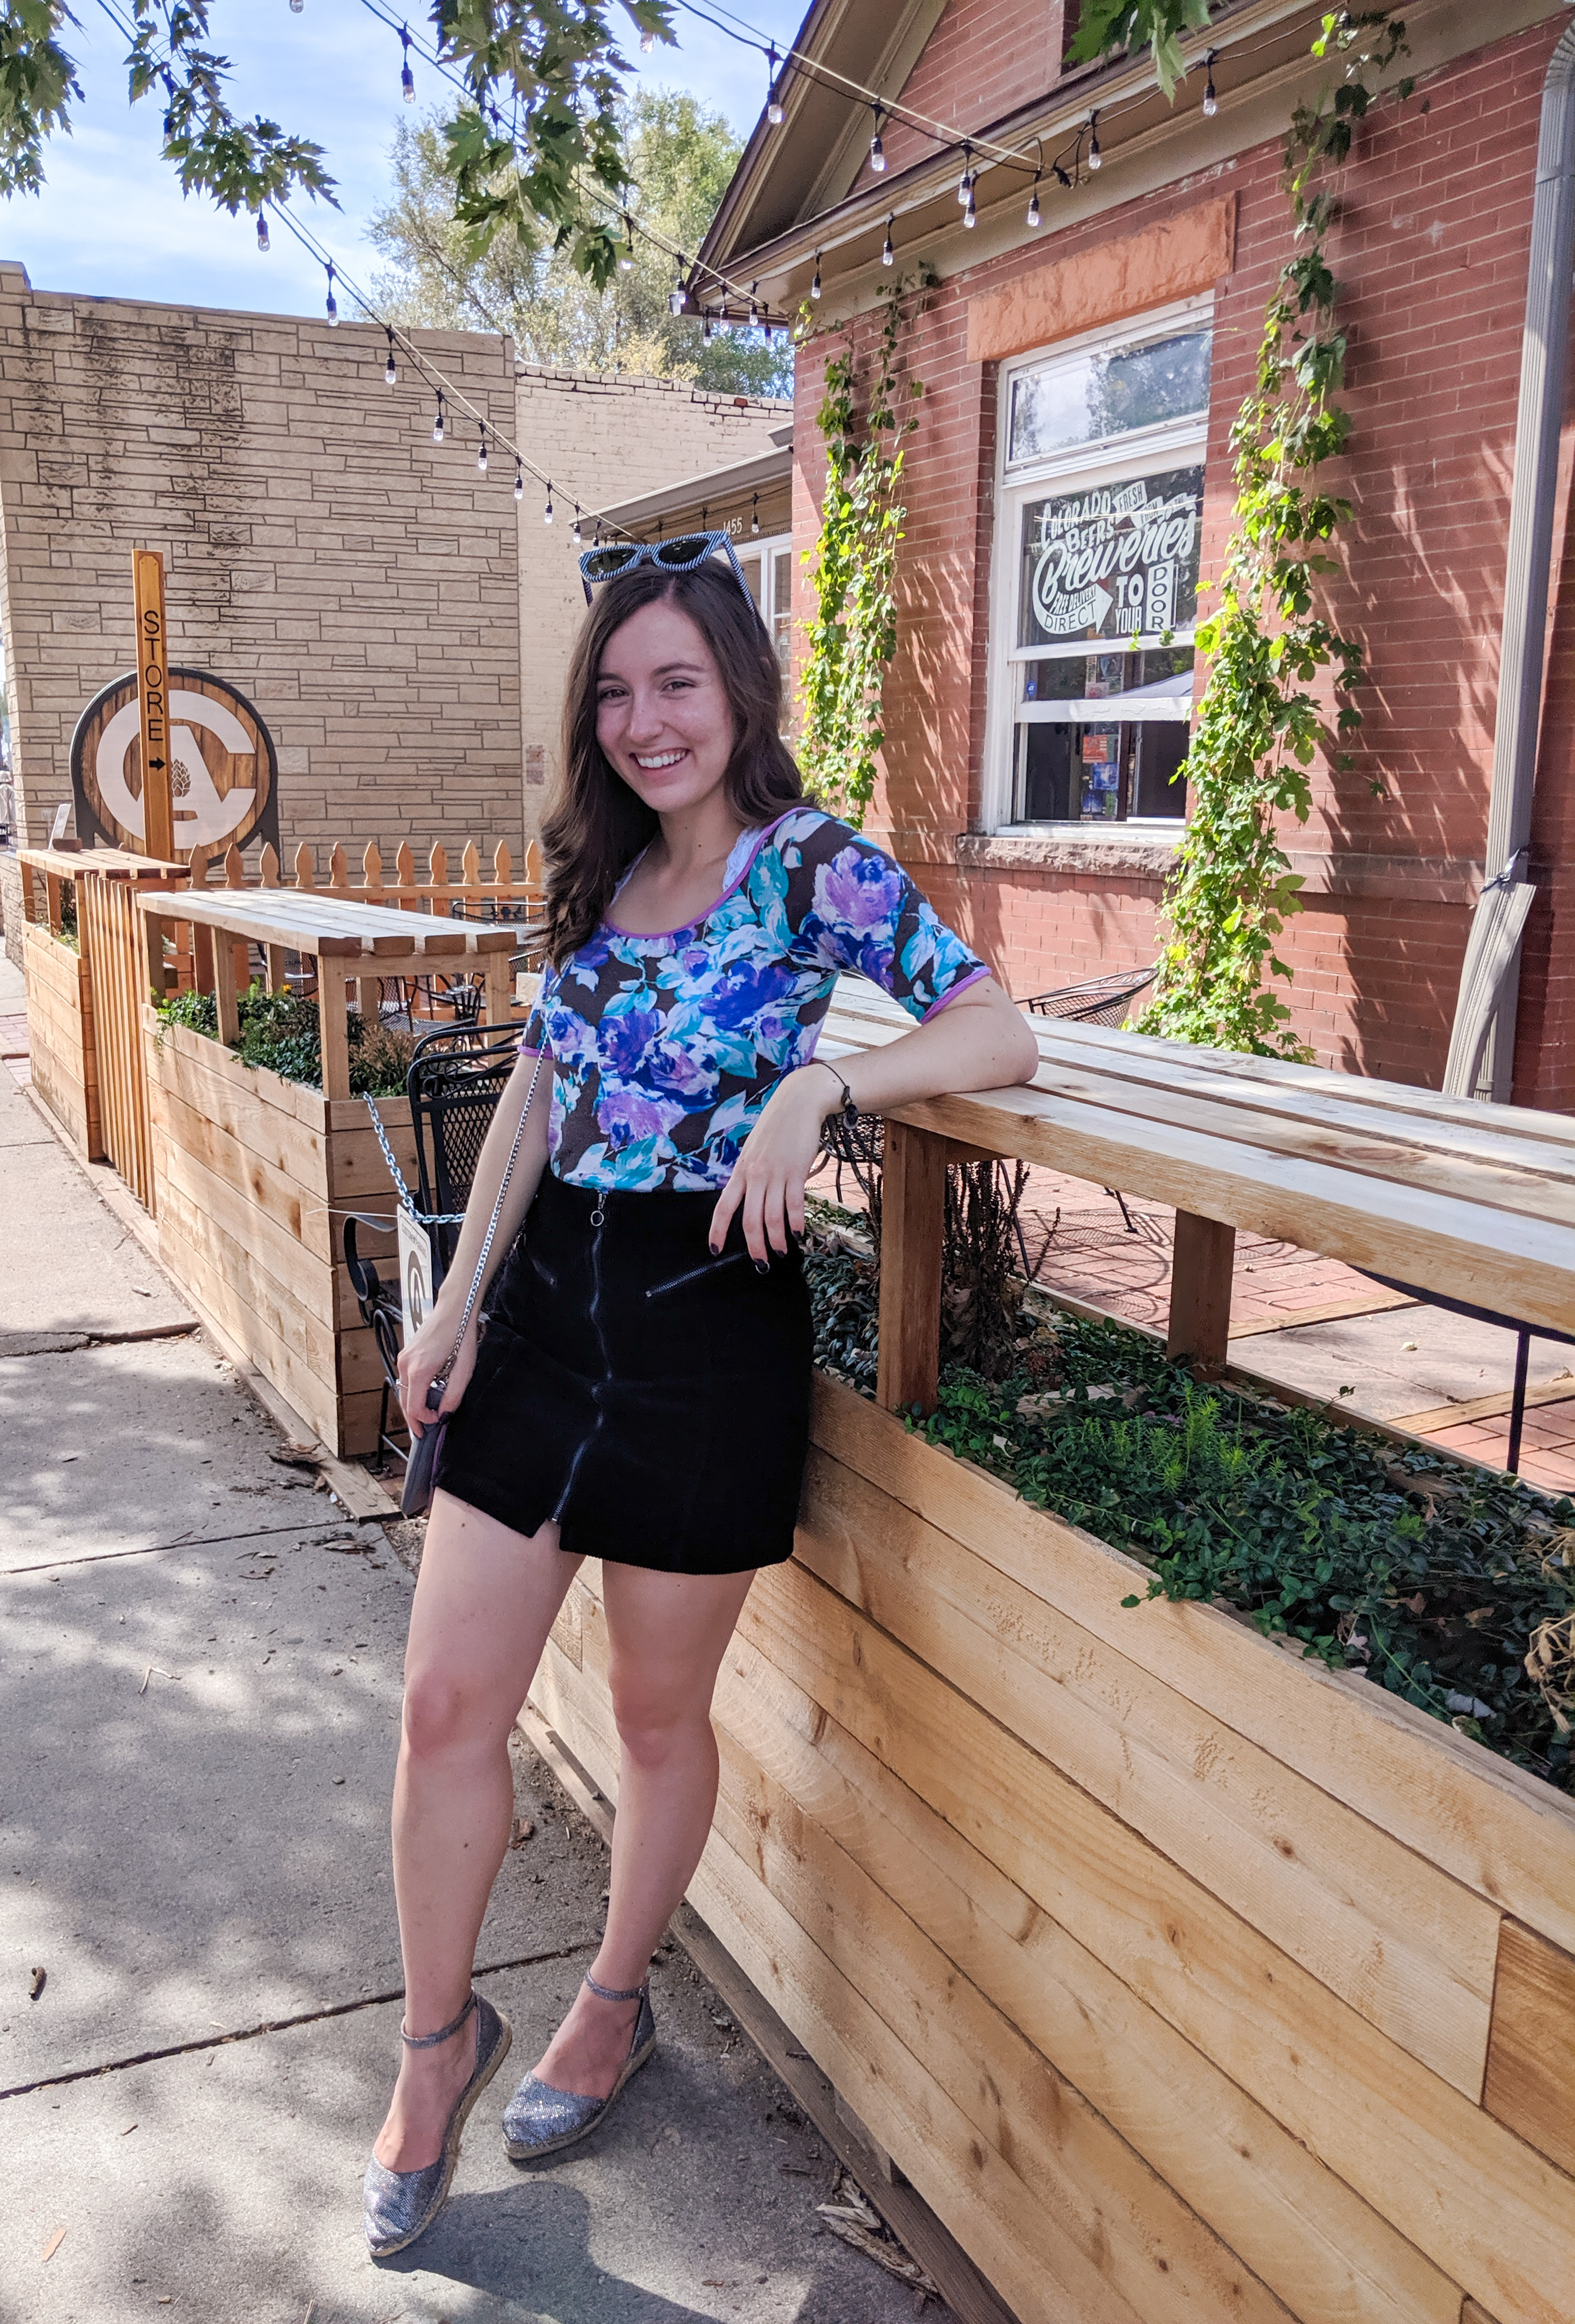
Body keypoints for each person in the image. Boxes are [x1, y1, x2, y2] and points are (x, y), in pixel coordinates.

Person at [364, 545, 1038, 2257]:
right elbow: (535, 1084)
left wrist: (826, 1078)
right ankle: (437, 2047)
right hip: (542, 1321)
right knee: (448, 1707)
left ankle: (610, 1998)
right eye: (615, 689)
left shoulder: (810, 867)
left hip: (704, 1334)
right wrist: (455, 1299)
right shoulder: (597, 874)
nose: (644, 719)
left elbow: (997, 1031)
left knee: (660, 1722)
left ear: (739, 689)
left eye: (675, 682)